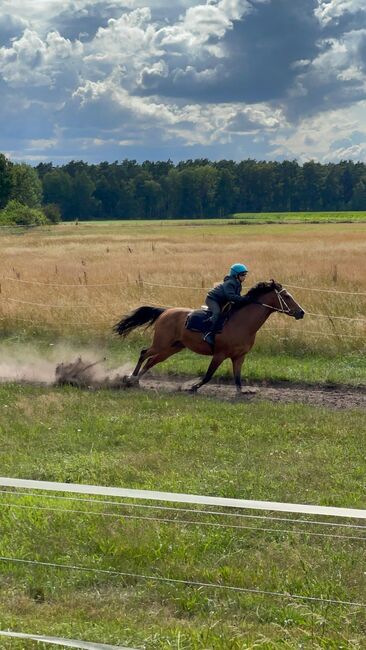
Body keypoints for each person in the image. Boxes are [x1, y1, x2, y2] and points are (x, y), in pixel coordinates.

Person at [203, 263, 249, 346]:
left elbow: (236, 297)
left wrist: (243, 300)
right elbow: (231, 296)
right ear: (236, 275)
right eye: (242, 275)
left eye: (245, 275)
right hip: (212, 299)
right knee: (217, 313)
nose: (244, 277)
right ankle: (209, 334)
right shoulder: (230, 283)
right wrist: (244, 299)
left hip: (221, 301)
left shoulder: (238, 284)